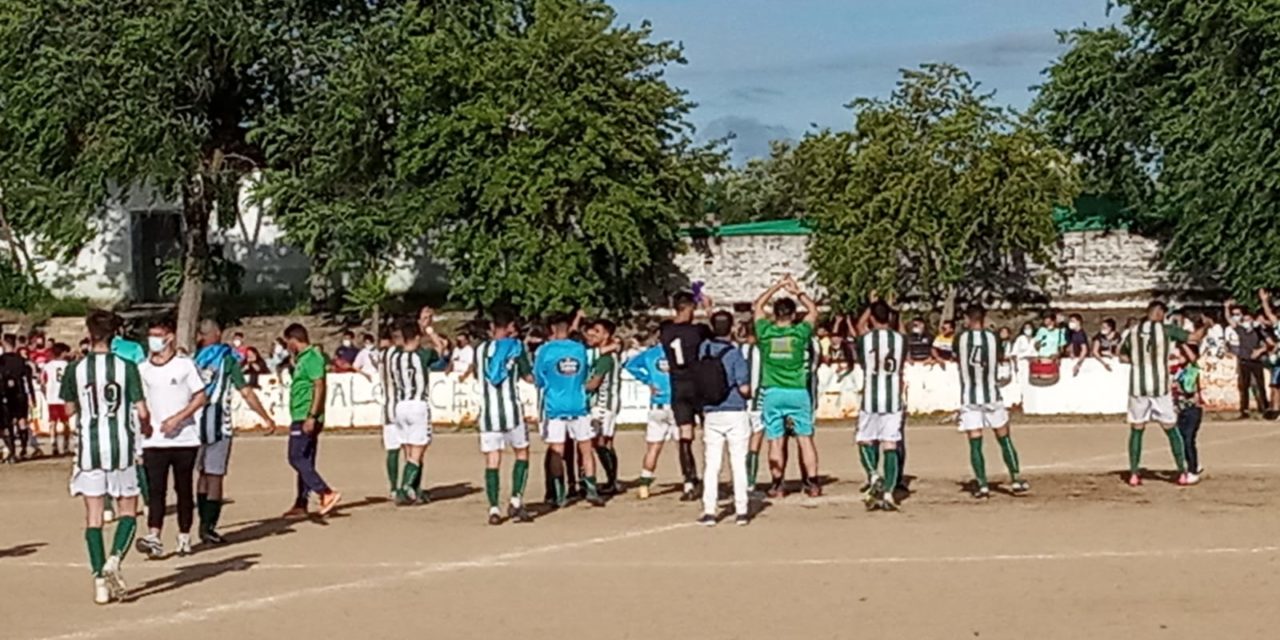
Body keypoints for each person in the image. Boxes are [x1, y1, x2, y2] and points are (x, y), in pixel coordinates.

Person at [61, 310, 151, 604]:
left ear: (89, 333)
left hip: (89, 449)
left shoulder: (75, 369)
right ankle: (114, 559)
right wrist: (147, 427)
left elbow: (69, 410)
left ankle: (99, 581)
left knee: (94, 517)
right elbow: (141, 410)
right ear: (115, 334)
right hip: (121, 448)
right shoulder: (126, 367)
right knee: (129, 512)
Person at [193, 319, 275, 545]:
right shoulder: (226, 359)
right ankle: (208, 525)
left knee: (202, 473)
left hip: (196, 421)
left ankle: (201, 519)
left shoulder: (195, 359)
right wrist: (265, 417)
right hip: (219, 421)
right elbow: (246, 391)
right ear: (217, 333)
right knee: (216, 474)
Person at [135, 319, 208, 559]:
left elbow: (200, 396)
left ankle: (184, 535)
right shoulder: (142, 369)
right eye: (151, 335)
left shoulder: (185, 366)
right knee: (156, 491)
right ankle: (154, 536)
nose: (153, 340)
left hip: (184, 439)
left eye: (158, 335)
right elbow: (139, 402)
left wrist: (178, 418)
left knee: (183, 488)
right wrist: (142, 427)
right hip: (154, 440)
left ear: (170, 338)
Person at [753, 274, 821, 498]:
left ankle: (777, 484)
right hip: (798, 390)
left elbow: (758, 305)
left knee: (775, 439)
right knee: (805, 438)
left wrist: (776, 287)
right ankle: (812, 483)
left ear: (775, 315)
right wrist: (797, 291)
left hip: (773, 391)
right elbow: (813, 311)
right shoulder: (799, 333)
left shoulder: (765, 332)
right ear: (793, 315)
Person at [955, 305, 1029, 499]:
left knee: (975, 443)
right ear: (984, 317)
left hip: (970, 397)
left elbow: (956, 356)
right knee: (1004, 438)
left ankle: (982, 485)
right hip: (992, 395)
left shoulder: (961, 339)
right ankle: (1016, 479)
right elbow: (999, 358)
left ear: (967, 318)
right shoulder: (993, 338)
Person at [1119, 300, 1194, 487]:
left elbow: (1121, 355)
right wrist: (1207, 326)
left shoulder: (1132, 332)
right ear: (1159, 312)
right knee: (1170, 427)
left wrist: (1139, 362)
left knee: (1137, 428)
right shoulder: (1166, 330)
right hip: (1159, 386)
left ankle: (1134, 474)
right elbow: (1193, 338)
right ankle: (1182, 472)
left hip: (1138, 386)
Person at [534, 314, 603, 508]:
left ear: (553, 329)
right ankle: (591, 490)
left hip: (556, 407)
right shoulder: (579, 349)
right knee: (586, 449)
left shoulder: (545, 351)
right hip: (578, 404)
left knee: (557, 451)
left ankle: (559, 493)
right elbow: (584, 372)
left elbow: (539, 379)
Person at [476, 309, 535, 525]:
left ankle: (493, 508)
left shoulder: (479, 350)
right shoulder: (516, 348)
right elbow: (528, 377)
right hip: (512, 410)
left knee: (493, 460)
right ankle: (516, 500)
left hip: (488, 412)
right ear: (510, 327)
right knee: (521, 453)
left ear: (492, 329)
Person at [694, 311, 752, 526]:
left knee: (712, 464)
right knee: (738, 462)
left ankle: (709, 510)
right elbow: (744, 387)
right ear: (731, 328)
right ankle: (742, 510)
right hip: (735, 409)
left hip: (711, 411)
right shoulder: (735, 353)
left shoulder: (703, 350)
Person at [281, 324, 342, 517]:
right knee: (305, 461)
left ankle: (325, 492)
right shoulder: (301, 360)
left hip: (306, 416)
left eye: (287, 342)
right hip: (300, 414)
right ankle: (301, 502)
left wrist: (312, 416)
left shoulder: (312, 358)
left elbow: (319, 386)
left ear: (293, 339)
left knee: (295, 457)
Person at [852, 300, 907, 510]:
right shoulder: (900, 340)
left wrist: (871, 304)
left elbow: (859, 326)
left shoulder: (866, 339)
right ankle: (889, 493)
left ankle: (874, 475)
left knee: (864, 440)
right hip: (893, 399)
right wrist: (896, 314)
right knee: (890, 444)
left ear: (872, 318)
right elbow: (901, 333)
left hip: (871, 399)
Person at [658, 291, 712, 501]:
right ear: (690, 308)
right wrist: (708, 311)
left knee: (685, 435)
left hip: (677, 386)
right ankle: (709, 477)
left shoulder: (666, 331)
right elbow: (720, 335)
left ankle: (689, 481)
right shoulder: (698, 330)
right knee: (709, 432)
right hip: (697, 384)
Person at [385, 321, 441, 505]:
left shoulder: (395, 357)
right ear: (417, 337)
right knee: (418, 451)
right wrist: (429, 330)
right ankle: (405, 487)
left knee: (409, 452)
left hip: (400, 406)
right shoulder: (422, 355)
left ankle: (414, 491)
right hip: (418, 405)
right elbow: (441, 347)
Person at [626, 340, 674, 500]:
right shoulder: (677, 351)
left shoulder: (651, 353)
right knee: (683, 445)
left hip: (656, 403)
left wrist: (647, 380)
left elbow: (630, 365)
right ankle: (689, 481)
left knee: (653, 447)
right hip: (675, 402)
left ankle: (644, 483)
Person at [585, 319, 623, 495]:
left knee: (599, 442)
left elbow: (593, 384)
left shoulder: (605, 358)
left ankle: (612, 480)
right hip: (610, 403)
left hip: (603, 404)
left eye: (597, 331)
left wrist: (572, 385)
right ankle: (612, 480)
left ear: (607, 335)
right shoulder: (609, 354)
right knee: (606, 442)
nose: (593, 334)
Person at [1226, 296, 1270, 419]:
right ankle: (1244, 410)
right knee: (1244, 386)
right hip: (1244, 360)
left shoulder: (1258, 331)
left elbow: (1268, 344)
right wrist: (1226, 308)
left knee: (1260, 385)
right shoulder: (1240, 330)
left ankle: (1265, 408)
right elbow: (1229, 319)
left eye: (1248, 319)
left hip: (1256, 361)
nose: (1245, 321)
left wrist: (1259, 351)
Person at [737, 322, 766, 492]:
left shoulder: (737, 349)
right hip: (758, 400)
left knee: (740, 442)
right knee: (755, 440)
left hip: (739, 402)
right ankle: (750, 481)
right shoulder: (763, 350)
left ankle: (741, 479)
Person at [0, 334, 35, 463]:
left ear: (4, 343)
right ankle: (24, 448)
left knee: (7, 424)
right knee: (22, 421)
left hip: (5, 396)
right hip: (21, 395)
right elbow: (27, 378)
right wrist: (32, 396)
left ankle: (12, 451)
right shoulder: (21, 360)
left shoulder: (2, 360)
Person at [1173, 343, 1205, 484]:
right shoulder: (1179, 371)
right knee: (1182, 439)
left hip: (1193, 409)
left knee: (1188, 439)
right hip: (1182, 409)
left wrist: (1183, 342)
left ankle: (1192, 470)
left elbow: (1193, 359)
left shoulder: (1193, 368)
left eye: (1182, 354)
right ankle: (1193, 463)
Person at [41, 343, 72, 456]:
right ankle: (66, 445)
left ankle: (53, 444)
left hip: (52, 397)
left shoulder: (47, 366)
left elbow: (43, 382)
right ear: (63, 353)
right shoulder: (67, 365)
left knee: (52, 422)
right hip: (63, 398)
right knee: (66, 423)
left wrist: (46, 395)